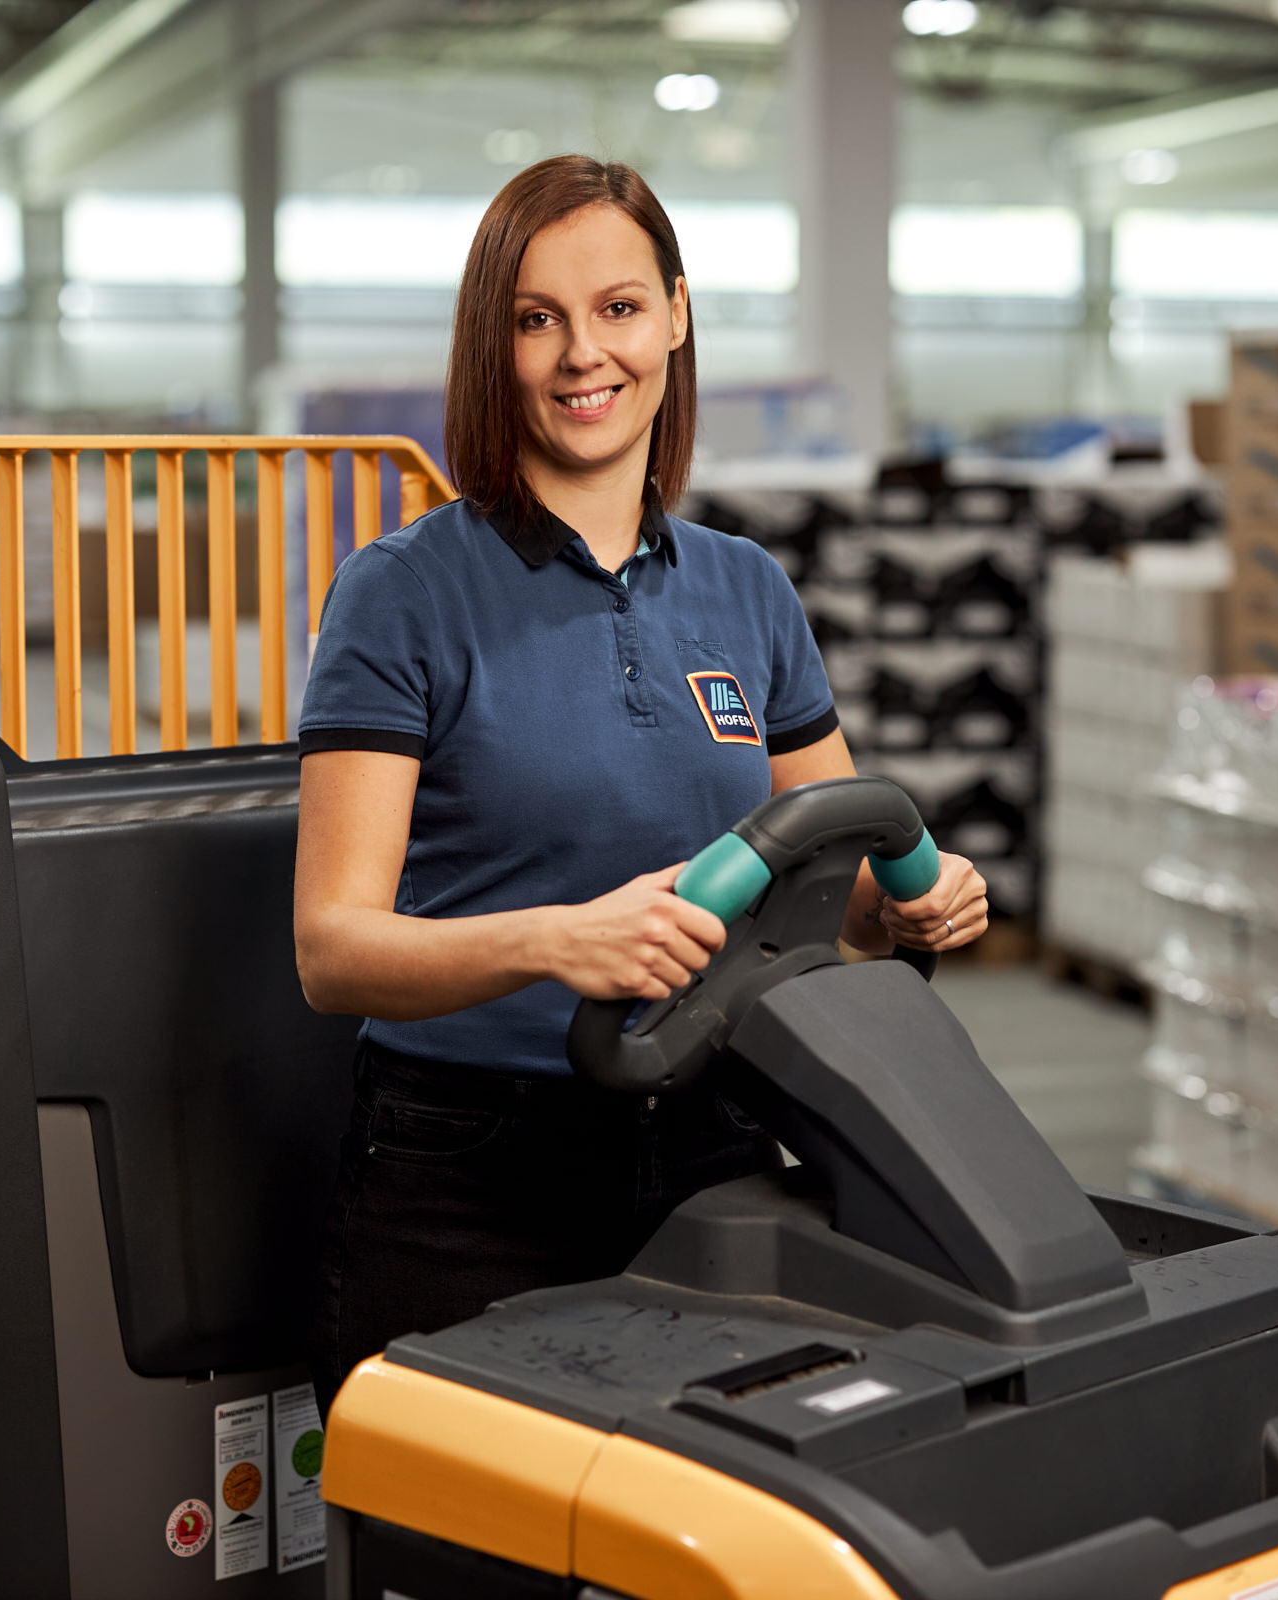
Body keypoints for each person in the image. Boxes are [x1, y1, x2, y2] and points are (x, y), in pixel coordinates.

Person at [292, 154, 989, 1400]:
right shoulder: (402, 593)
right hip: (468, 1171)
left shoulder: (746, 589)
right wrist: (561, 939)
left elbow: (838, 886)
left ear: (674, 313)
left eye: (617, 308)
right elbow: (332, 949)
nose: (583, 356)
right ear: (494, 343)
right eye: (537, 319)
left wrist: (912, 906)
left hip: (717, 1138)